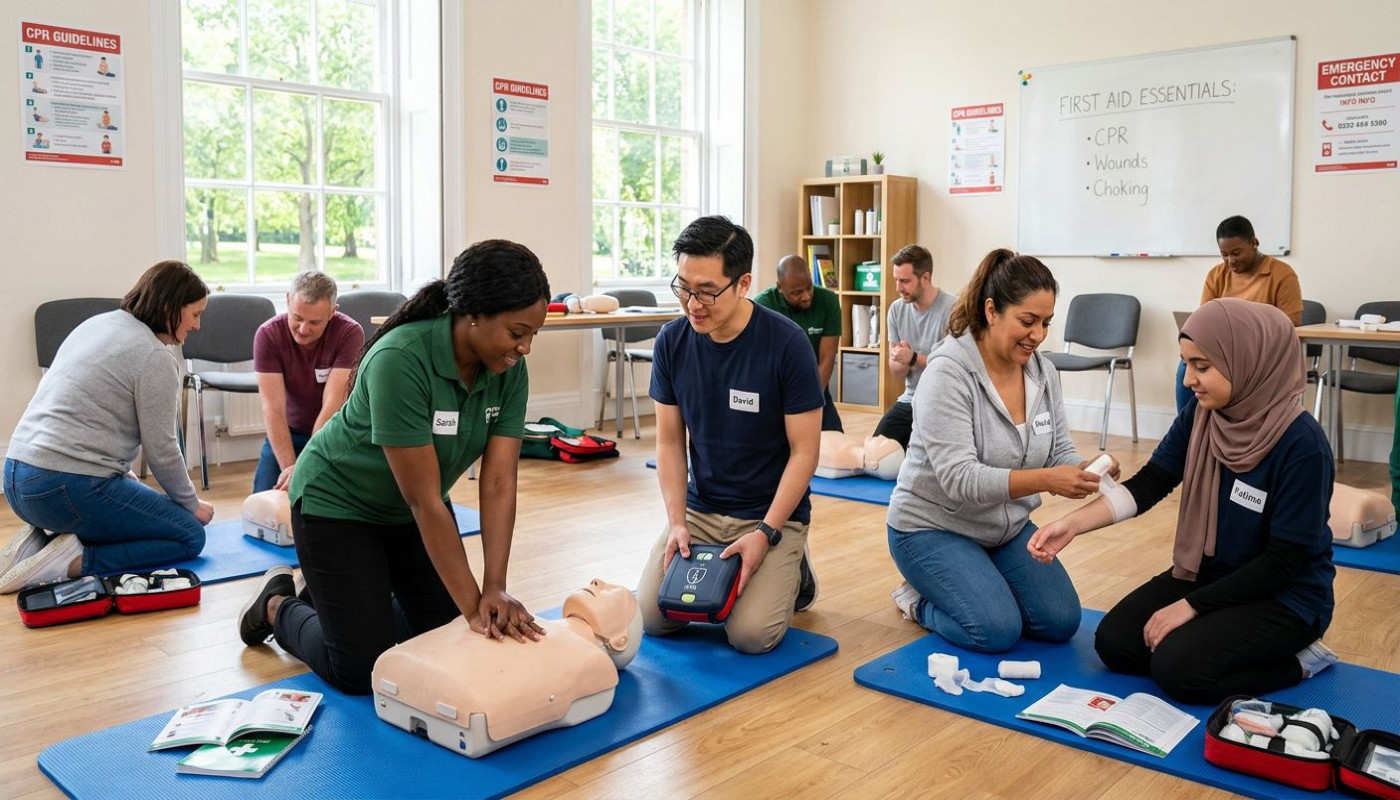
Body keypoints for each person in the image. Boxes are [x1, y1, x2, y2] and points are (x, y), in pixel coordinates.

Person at [236, 240, 551, 694]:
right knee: (361, 667)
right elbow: (424, 500)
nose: (524, 348)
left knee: (442, 637)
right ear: (474, 314)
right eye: (517, 332)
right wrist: (475, 610)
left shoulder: (506, 370)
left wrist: (494, 588)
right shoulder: (400, 359)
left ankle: (337, 595)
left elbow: (499, 481)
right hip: (337, 507)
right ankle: (278, 604)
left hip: (405, 515)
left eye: (532, 336)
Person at [1030, 299, 1337, 705]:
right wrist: (1072, 524)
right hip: (1212, 575)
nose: (1188, 378)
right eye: (1186, 363)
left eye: (1202, 366)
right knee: (1116, 643)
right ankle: (1215, 635)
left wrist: (1190, 607)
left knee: (1179, 671)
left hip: (1285, 596)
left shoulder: (1303, 445)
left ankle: (1300, 662)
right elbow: (1152, 482)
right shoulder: (1203, 414)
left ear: (1246, 360)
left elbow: (1282, 563)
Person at [887, 248, 1100, 653]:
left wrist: (1084, 468)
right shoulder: (948, 372)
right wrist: (1048, 481)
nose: (1037, 335)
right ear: (991, 311)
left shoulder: (1044, 372)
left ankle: (977, 579)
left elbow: (1058, 450)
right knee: (996, 629)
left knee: (1060, 621)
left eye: (1046, 323)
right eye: (1027, 321)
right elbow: (960, 479)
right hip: (931, 528)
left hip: (1005, 529)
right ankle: (915, 600)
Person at [636, 216, 823, 651]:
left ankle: (793, 568)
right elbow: (668, 443)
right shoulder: (672, 342)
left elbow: (805, 453)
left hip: (769, 514)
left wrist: (766, 533)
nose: (692, 304)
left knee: (750, 636)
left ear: (743, 284)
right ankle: (763, 564)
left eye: (706, 291)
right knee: (652, 616)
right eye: (683, 287)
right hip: (702, 510)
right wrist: (677, 523)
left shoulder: (786, 344)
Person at [1, 260, 214, 593]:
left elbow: (87, 418)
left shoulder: (97, 324)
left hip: (16, 477)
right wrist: (192, 505)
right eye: (195, 314)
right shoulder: (153, 356)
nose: (198, 325)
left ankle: (43, 542)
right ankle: (70, 561)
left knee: (142, 508)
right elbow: (162, 450)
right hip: (62, 488)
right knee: (188, 535)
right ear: (172, 308)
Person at [1175, 215, 1303, 410]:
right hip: (1223, 352)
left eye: (1236, 253)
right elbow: (1204, 321)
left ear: (1254, 243)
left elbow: (1291, 324)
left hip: (1260, 354)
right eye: (1224, 254)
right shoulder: (1217, 275)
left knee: (1214, 372)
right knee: (1188, 365)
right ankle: (1190, 429)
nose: (1230, 261)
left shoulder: (1282, 274)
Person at [252, 271, 364, 493]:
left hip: (334, 433)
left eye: (314, 322)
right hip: (288, 432)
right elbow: (272, 410)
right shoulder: (268, 335)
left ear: (333, 312)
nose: (303, 329)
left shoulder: (349, 333)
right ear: (287, 300)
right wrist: (290, 470)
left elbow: (333, 404)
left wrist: (303, 468)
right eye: (297, 318)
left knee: (331, 505)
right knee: (264, 504)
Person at [874, 245, 957, 450]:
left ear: (925, 278)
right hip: (910, 400)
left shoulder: (954, 309)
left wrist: (912, 358)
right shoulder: (896, 309)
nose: (898, 288)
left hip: (944, 404)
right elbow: (896, 372)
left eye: (905, 281)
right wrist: (900, 359)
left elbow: (952, 368)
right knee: (876, 451)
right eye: (896, 280)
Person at [754, 254, 844, 431]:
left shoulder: (828, 301)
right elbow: (761, 361)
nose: (806, 296)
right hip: (776, 389)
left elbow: (826, 358)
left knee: (835, 441)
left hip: (815, 385)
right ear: (780, 287)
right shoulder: (763, 306)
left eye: (809, 287)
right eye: (796, 292)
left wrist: (811, 402)